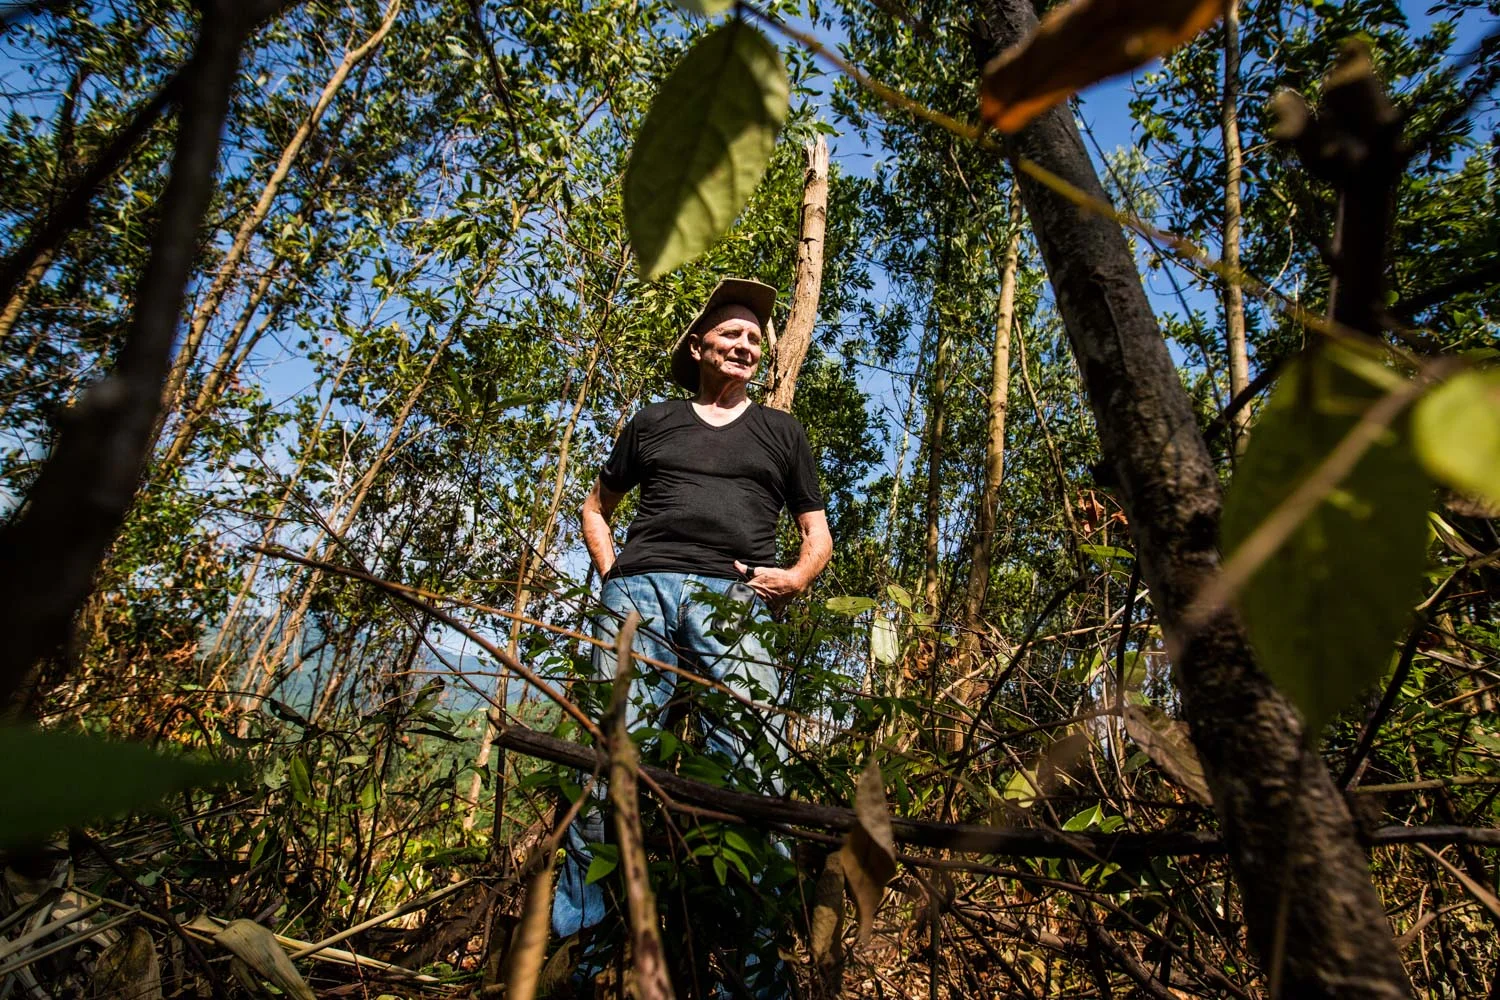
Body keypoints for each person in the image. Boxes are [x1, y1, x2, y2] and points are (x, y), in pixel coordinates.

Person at [552, 277, 833, 994]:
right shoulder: (653, 422)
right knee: (610, 756)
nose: (745, 343)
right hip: (639, 592)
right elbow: (594, 508)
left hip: (732, 598)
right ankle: (584, 956)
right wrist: (617, 576)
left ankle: (749, 973)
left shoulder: (780, 431)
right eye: (730, 332)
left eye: (754, 338)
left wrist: (795, 580)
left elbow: (817, 534)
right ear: (698, 346)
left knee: (752, 769)